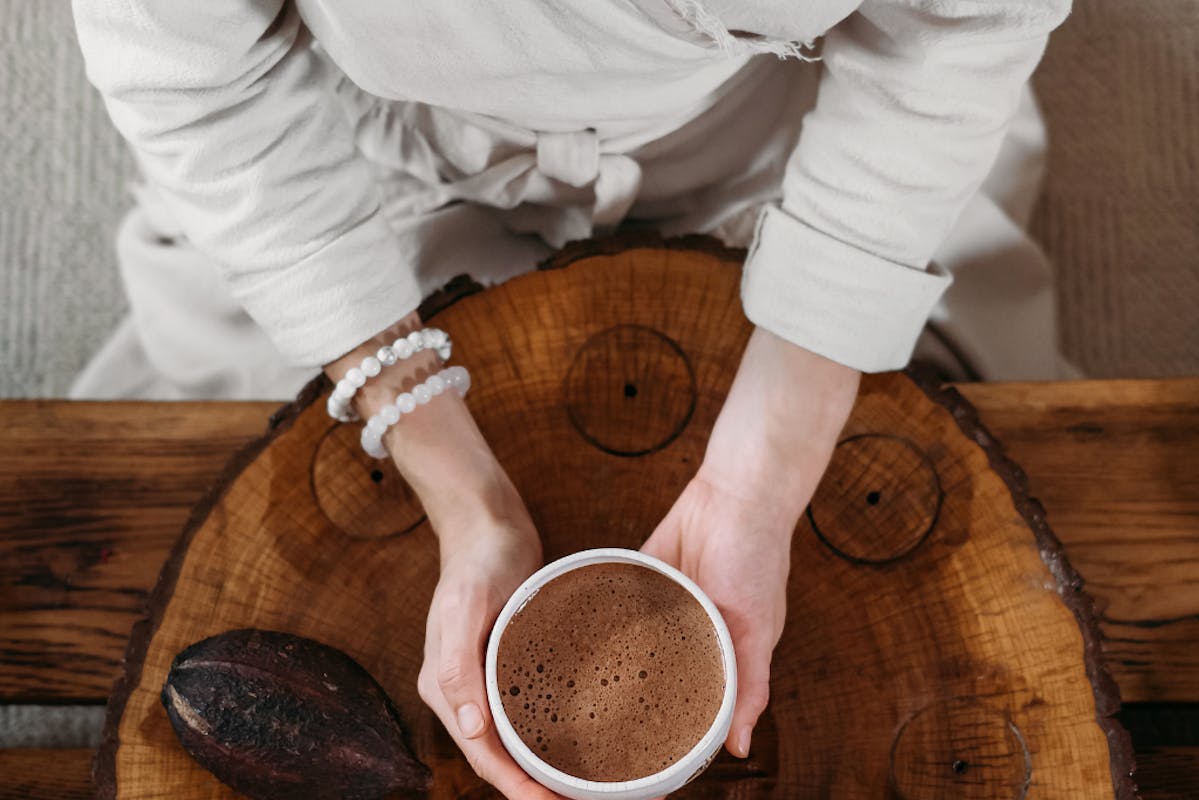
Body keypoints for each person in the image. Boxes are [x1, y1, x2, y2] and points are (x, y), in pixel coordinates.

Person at [72, 1, 1072, 796]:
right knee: (247, 428)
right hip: (358, 151)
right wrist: (465, 496)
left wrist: (760, 475)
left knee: (948, 403)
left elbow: (958, 27)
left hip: (763, 118)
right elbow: (193, 80)